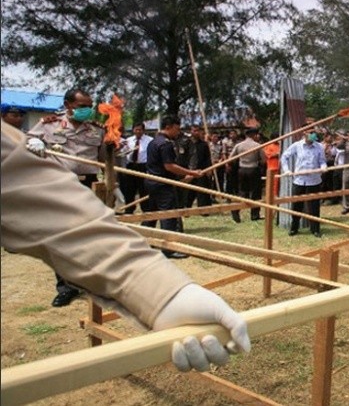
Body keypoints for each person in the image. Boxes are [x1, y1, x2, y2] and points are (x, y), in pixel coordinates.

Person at [2, 121, 250, 372]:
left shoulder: (146, 141)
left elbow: (39, 198)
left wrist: (161, 295)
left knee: (158, 213)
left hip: (83, 188)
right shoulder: (161, 143)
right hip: (149, 181)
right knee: (166, 214)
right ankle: (164, 247)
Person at [27, 88, 105, 308]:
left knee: (89, 235)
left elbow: (104, 159)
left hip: (88, 184)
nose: (87, 110)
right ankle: (66, 287)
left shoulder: (97, 129)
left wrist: (116, 151)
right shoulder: (49, 124)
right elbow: (27, 144)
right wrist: (33, 144)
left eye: (89, 106)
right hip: (59, 183)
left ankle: (90, 280)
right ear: (68, 105)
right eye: (82, 106)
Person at [144, 115, 203, 258]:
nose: (178, 132)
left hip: (151, 182)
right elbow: (169, 166)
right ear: (168, 127)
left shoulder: (153, 142)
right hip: (164, 184)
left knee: (151, 214)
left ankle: (143, 243)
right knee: (168, 215)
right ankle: (168, 249)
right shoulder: (166, 144)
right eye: (177, 129)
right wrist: (191, 173)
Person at [281, 129, 327, 237]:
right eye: (311, 132)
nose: (313, 135)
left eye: (314, 133)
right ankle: (294, 228)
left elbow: (322, 161)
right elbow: (284, 157)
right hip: (299, 181)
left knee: (314, 207)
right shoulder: (297, 145)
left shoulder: (319, 146)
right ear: (304, 133)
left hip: (314, 181)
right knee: (296, 206)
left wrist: (323, 167)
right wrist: (287, 170)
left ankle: (315, 229)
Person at [228, 127, 265, 223]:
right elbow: (264, 160)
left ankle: (235, 209)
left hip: (242, 169)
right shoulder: (257, 145)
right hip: (253, 169)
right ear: (254, 135)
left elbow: (231, 158)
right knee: (256, 193)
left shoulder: (239, 145)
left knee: (242, 192)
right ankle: (254, 215)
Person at [120, 122, 153, 215]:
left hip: (143, 166)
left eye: (140, 129)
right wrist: (122, 147)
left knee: (144, 189)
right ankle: (129, 209)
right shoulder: (128, 140)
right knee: (129, 190)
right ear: (133, 130)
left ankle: (146, 209)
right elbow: (123, 153)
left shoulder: (150, 140)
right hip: (130, 166)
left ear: (143, 130)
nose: (138, 131)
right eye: (136, 129)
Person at [183, 125, 213, 209]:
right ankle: (187, 207)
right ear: (191, 132)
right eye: (194, 130)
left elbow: (207, 158)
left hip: (201, 171)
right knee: (189, 191)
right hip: (189, 171)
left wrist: (209, 169)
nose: (196, 132)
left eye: (197, 131)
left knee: (202, 190)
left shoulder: (203, 144)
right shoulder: (186, 143)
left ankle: (204, 209)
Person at [263, 131, 281, 198]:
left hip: (279, 167)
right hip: (271, 167)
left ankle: (275, 196)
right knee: (271, 184)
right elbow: (268, 155)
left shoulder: (280, 145)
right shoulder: (268, 145)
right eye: (277, 137)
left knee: (277, 184)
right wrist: (277, 154)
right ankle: (270, 197)